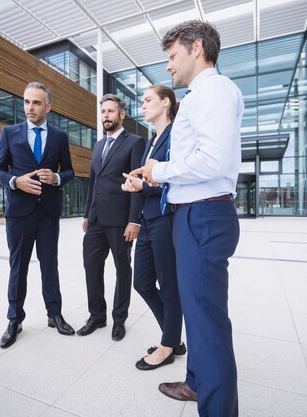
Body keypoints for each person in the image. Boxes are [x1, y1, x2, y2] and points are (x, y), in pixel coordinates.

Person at [132, 20, 244, 417]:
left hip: (203, 215)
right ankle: (197, 382)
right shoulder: (204, 94)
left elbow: (212, 160)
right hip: (195, 214)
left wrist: (158, 170)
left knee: (208, 322)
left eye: (172, 56)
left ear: (197, 48)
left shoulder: (211, 91)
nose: (168, 66)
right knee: (199, 315)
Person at [0, 81, 75, 348]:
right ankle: (14, 319)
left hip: (48, 212)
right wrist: (15, 181)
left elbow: (70, 172)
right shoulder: (9, 133)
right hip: (19, 213)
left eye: (37, 102)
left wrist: (56, 178)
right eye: (27, 101)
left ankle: (55, 315)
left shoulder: (60, 137)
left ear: (48, 107)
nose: (30, 107)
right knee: (18, 267)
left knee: (50, 264)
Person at [121, 85, 185, 370]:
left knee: (168, 287)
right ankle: (172, 336)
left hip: (165, 219)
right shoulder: (150, 141)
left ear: (166, 102)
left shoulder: (176, 136)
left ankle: (168, 344)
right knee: (142, 283)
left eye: (148, 100)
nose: (143, 105)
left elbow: (173, 182)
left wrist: (142, 185)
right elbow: (150, 181)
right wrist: (135, 184)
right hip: (148, 220)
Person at [78, 94, 145, 341]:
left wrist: (134, 220)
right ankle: (97, 316)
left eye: (111, 111)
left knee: (122, 270)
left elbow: (137, 182)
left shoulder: (135, 142)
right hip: (96, 220)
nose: (106, 116)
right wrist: (87, 213)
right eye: (103, 112)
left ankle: (119, 319)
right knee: (91, 266)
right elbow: (93, 183)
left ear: (122, 114)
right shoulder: (97, 145)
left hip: (120, 220)